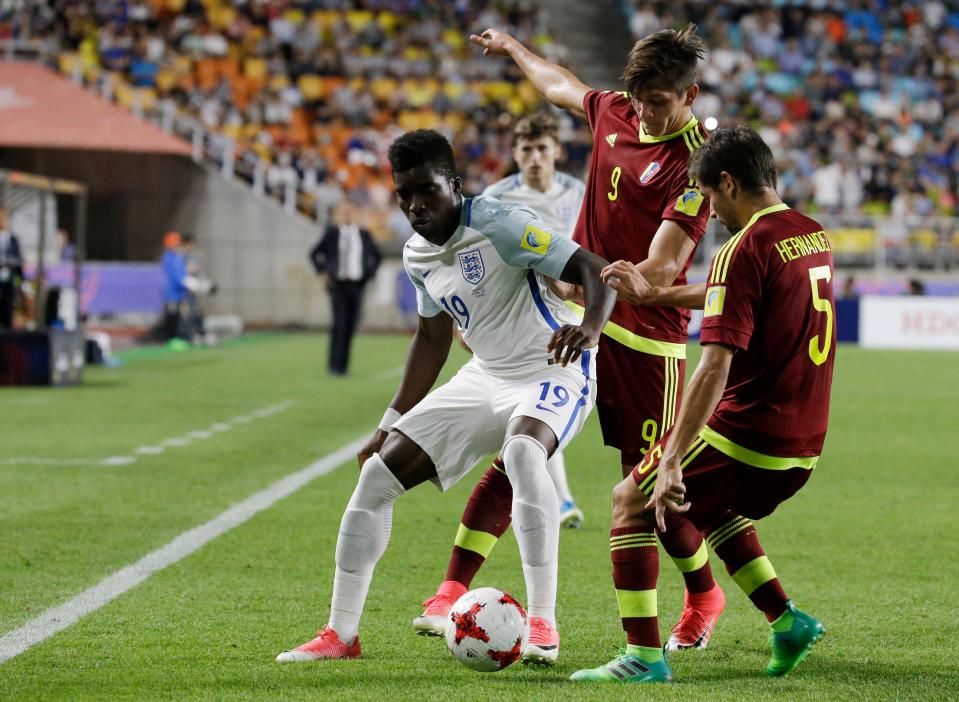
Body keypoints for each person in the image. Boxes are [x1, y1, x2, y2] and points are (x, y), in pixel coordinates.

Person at [275, 129, 616, 665]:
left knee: (525, 453)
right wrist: (390, 421)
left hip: (554, 366)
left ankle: (544, 623)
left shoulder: (501, 223)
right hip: (486, 375)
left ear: (454, 185)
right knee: (375, 477)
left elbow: (596, 271)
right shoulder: (416, 255)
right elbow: (432, 340)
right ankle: (342, 635)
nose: (415, 205)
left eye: (427, 191)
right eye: (404, 194)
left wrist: (591, 328)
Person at [467, 22, 737, 651]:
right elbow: (562, 86)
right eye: (638, 98)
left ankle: (703, 594)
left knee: (646, 490)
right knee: (519, 450)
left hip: (646, 345)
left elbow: (663, 268)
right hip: (575, 330)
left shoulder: (695, 163)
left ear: (690, 96)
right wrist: (513, 49)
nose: (643, 112)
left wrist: (588, 280)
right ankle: (451, 592)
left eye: (659, 102)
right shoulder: (614, 111)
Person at [573, 125, 834, 683]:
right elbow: (733, 289)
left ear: (729, 182)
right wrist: (658, 293)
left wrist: (668, 460)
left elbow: (713, 367)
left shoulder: (746, 246)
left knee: (633, 500)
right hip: (804, 444)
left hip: (751, 433)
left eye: (711, 198)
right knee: (706, 506)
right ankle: (787, 623)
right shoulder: (810, 234)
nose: (710, 212)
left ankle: (643, 659)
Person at [411, 114, 587, 639]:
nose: (534, 156)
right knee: (520, 453)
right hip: (512, 345)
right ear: (517, 153)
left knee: (635, 458)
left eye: (542, 147)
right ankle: (472, 595)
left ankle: (685, 599)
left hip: (574, 329)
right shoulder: (496, 199)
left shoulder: (580, 193)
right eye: (525, 147)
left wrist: (582, 295)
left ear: (557, 151)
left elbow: (584, 255)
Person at [310, 203, 382, 376]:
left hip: (357, 285)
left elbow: (377, 255)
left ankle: (344, 366)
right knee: (339, 325)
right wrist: (322, 272)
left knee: (350, 326)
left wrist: (368, 274)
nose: (349, 215)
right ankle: (333, 366)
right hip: (338, 284)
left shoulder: (364, 234)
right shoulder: (333, 233)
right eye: (345, 212)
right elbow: (314, 253)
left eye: (352, 212)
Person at [0, 207, 24, 329]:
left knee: (8, 309)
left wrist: (19, 283)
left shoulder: (13, 239)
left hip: (8, 281)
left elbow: (18, 263)